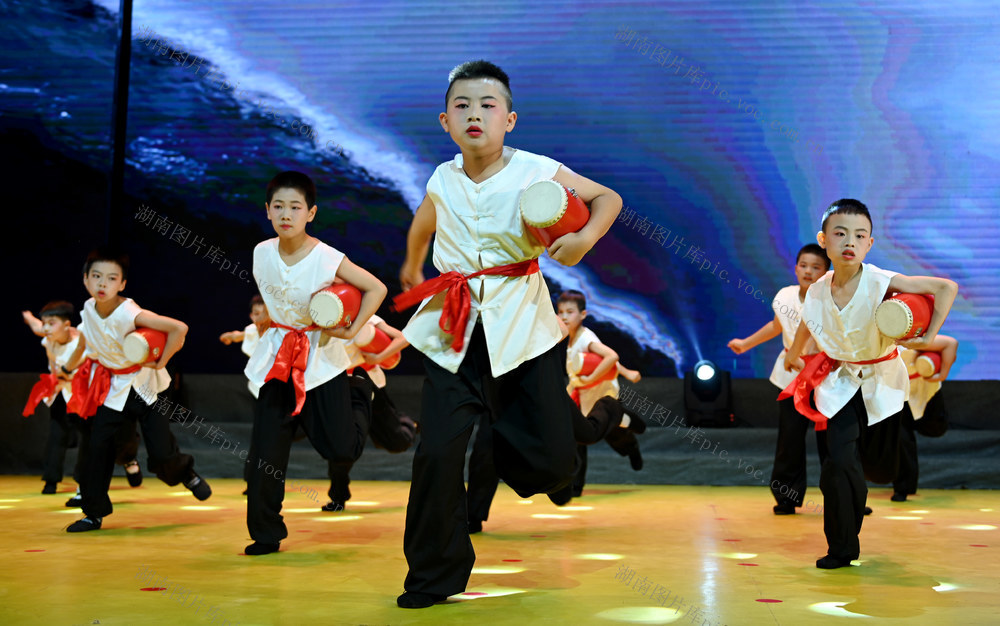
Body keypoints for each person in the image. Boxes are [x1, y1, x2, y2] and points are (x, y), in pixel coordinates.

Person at [393, 60, 622, 608]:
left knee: (550, 465)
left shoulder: (536, 169)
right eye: (462, 107)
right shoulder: (441, 178)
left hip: (524, 333)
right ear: (444, 121)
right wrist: (412, 261)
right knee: (436, 458)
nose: (475, 114)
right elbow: (426, 217)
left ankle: (587, 421)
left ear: (510, 119)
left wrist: (585, 238)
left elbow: (606, 198)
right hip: (455, 334)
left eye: (487, 105)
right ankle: (432, 577)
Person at [782, 199, 957, 569]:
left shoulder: (883, 281)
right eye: (841, 233)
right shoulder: (816, 290)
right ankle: (842, 548)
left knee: (872, 469)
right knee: (837, 464)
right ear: (824, 239)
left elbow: (946, 288)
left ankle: (860, 499)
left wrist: (928, 336)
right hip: (839, 384)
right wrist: (794, 353)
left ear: (870, 243)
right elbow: (805, 324)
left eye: (860, 235)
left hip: (883, 386)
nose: (851, 241)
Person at [242, 170, 386, 555]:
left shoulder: (327, 257)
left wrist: (351, 329)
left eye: (295, 207)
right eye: (278, 207)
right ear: (267, 212)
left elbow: (376, 288)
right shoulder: (260, 252)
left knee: (341, 448)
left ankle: (360, 394)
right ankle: (266, 533)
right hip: (277, 361)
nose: (286, 214)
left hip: (321, 360)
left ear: (312, 213)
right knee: (265, 451)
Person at [64, 246, 210, 532]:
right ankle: (93, 513)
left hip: (146, 387)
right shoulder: (88, 309)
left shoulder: (129, 312)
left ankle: (186, 473)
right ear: (85, 279)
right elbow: (84, 340)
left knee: (160, 453)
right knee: (98, 448)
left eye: (111, 278)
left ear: (123, 284)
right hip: (114, 387)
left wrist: (161, 362)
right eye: (96, 276)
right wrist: (68, 367)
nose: (102, 284)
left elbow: (179, 328)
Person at [727, 244, 830, 514]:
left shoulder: (831, 298)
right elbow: (777, 325)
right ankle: (787, 497)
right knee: (790, 439)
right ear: (796, 267)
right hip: (790, 375)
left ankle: (845, 497)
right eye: (804, 265)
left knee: (833, 442)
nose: (809, 271)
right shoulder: (785, 295)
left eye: (816, 267)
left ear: (826, 272)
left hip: (825, 376)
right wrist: (746, 344)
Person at [23, 304, 143, 504]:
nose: (45, 328)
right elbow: (38, 327)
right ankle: (78, 487)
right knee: (72, 439)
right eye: (45, 324)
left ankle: (129, 460)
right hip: (70, 399)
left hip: (94, 398)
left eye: (51, 324)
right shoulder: (49, 339)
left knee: (121, 439)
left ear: (68, 325)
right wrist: (28, 315)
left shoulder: (83, 341)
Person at [322, 314, 416, 512]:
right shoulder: (320, 315)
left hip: (368, 383)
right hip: (339, 387)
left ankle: (411, 425)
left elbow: (403, 337)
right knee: (343, 443)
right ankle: (338, 497)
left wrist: (378, 357)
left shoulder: (366, 316)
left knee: (396, 440)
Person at [893, 334, 958, 502]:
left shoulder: (912, 341)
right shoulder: (877, 345)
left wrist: (942, 374)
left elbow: (951, 343)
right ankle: (903, 489)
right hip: (899, 395)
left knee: (937, 428)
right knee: (901, 440)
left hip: (927, 391)